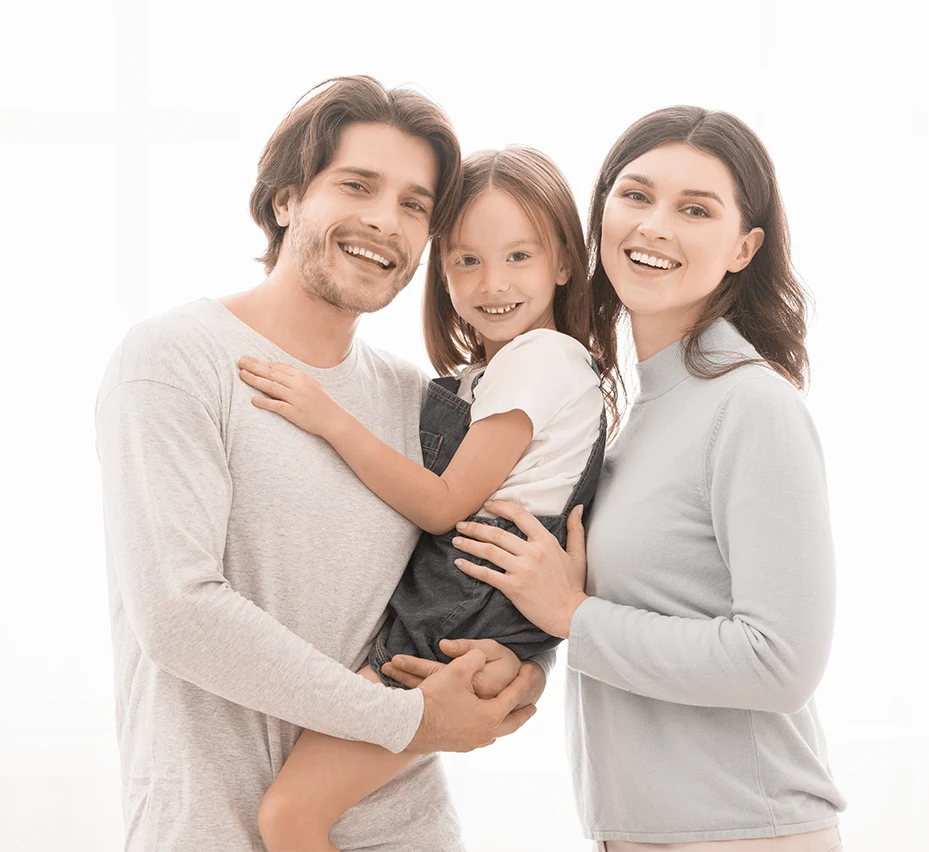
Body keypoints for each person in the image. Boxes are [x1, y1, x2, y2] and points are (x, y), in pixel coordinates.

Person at [94, 75, 545, 852]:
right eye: (358, 185)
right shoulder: (175, 358)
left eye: (414, 204)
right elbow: (179, 613)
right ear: (286, 199)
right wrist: (410, 718)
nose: (385, 220)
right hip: (212, 829)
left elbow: (479, 574)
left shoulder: (420, 404)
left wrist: (517, 669)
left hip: (407, 829)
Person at [390, 106, 848, 850]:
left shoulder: (751, 405)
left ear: (744, 247)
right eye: (635, 196)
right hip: (635, 832)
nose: (656, 226)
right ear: (599, 217)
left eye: (695, 209)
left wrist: (574, 617)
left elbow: (781, 663)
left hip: (747, 832)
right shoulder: (632, 416)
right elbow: (642, 617)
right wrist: (526, 653)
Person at [236, 145, 614, 852]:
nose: (490, 282)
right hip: (465, 612)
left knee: (289, 814)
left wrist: (326, 417)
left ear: (564, 262)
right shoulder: (488, 374)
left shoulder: (540, 359)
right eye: (465, 259)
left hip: (455, 613)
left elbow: (443, 507)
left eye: (519, 257)